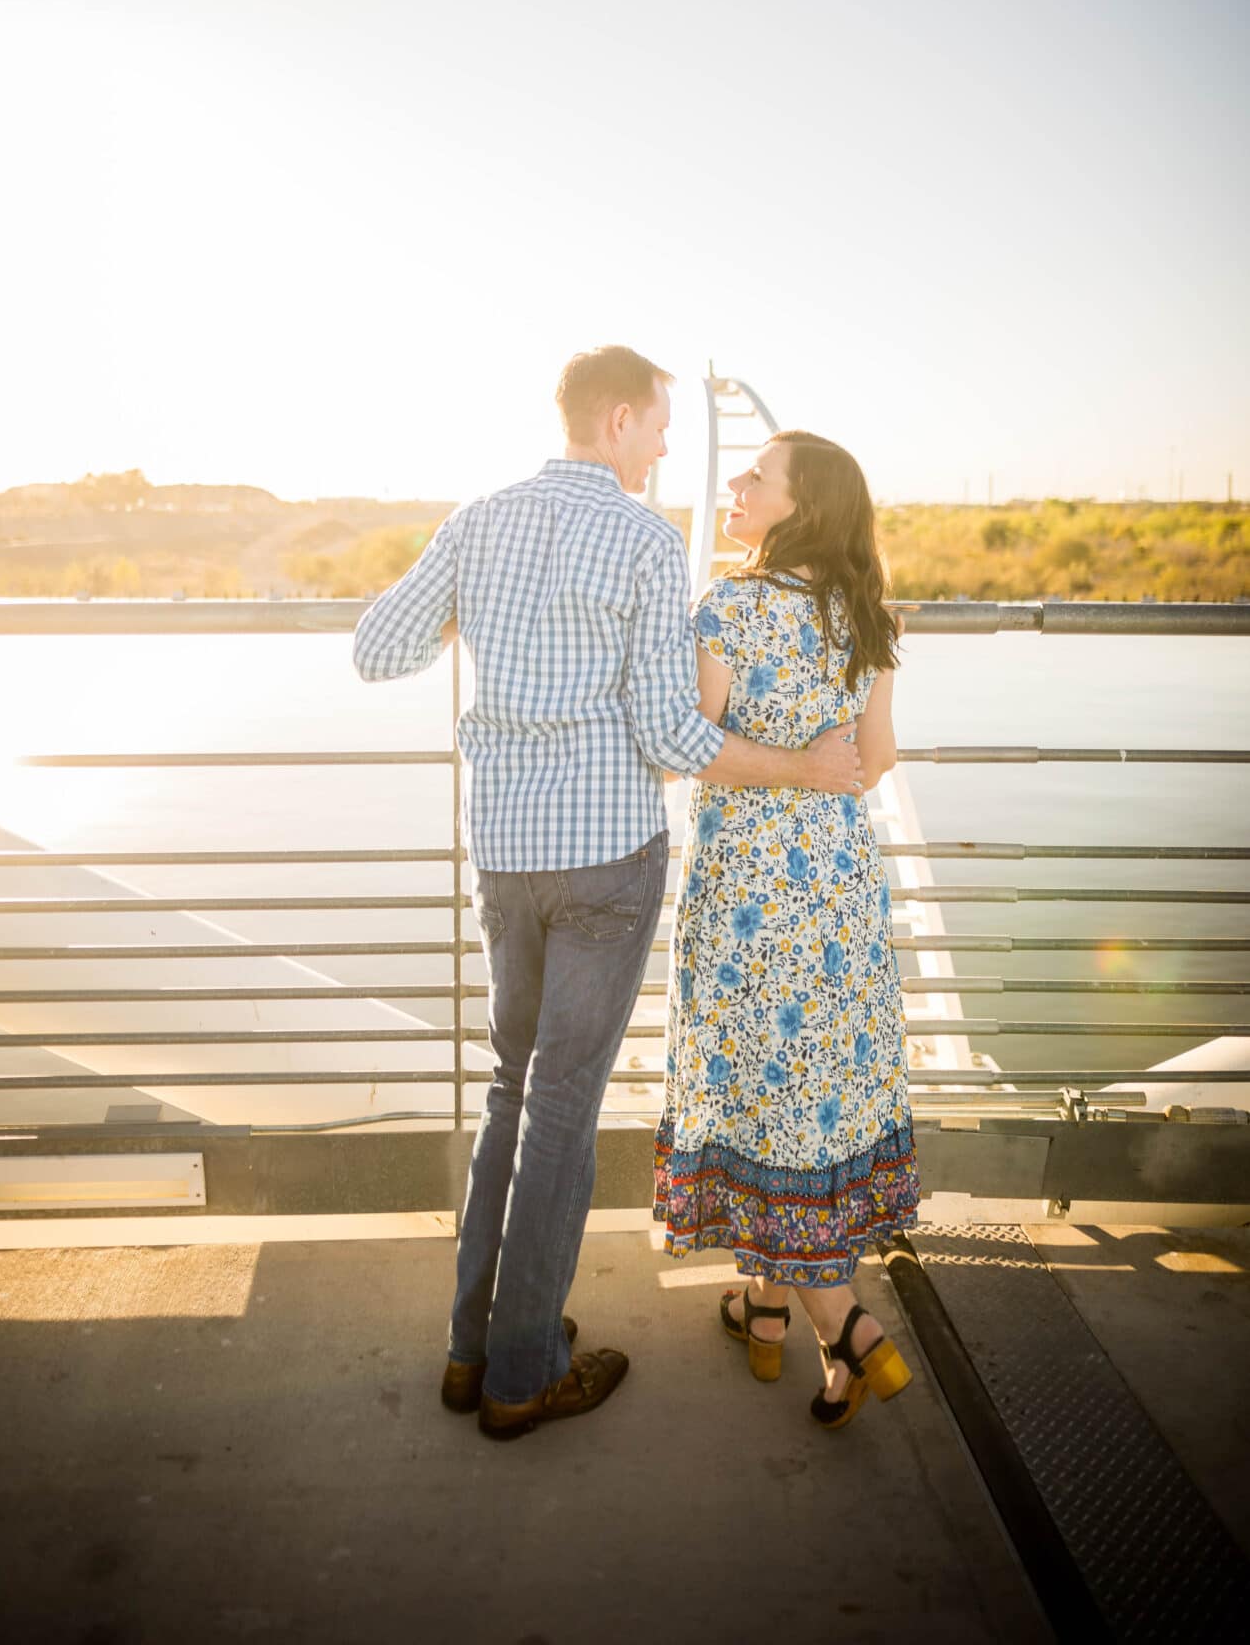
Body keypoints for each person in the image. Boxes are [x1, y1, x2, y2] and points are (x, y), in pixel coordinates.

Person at [353, 350, 865, 1441]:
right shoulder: (645, 540)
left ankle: (468, 1349)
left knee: (508, 1090)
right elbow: (674, 737)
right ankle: (524, 1373)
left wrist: (470, 623)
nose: (672, 448)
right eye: (663, 428)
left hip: (503, 850)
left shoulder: (477, 520)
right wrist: (802, 768)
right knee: (565, 1109)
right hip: (605, 860)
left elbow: (376, 647)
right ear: (621, 418)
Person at [653, 429, 919, 1429]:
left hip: (750, 898)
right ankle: (762, 1311)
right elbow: (876, 758)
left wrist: (784, 774)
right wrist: (819, 777)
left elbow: (695, 748)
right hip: (842, 892)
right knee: (807, 1091)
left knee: (755, 1085)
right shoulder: (868, 616)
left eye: (757, 475)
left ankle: (840, 1320)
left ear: (799, 506)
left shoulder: (731, 606)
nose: (738, 481)